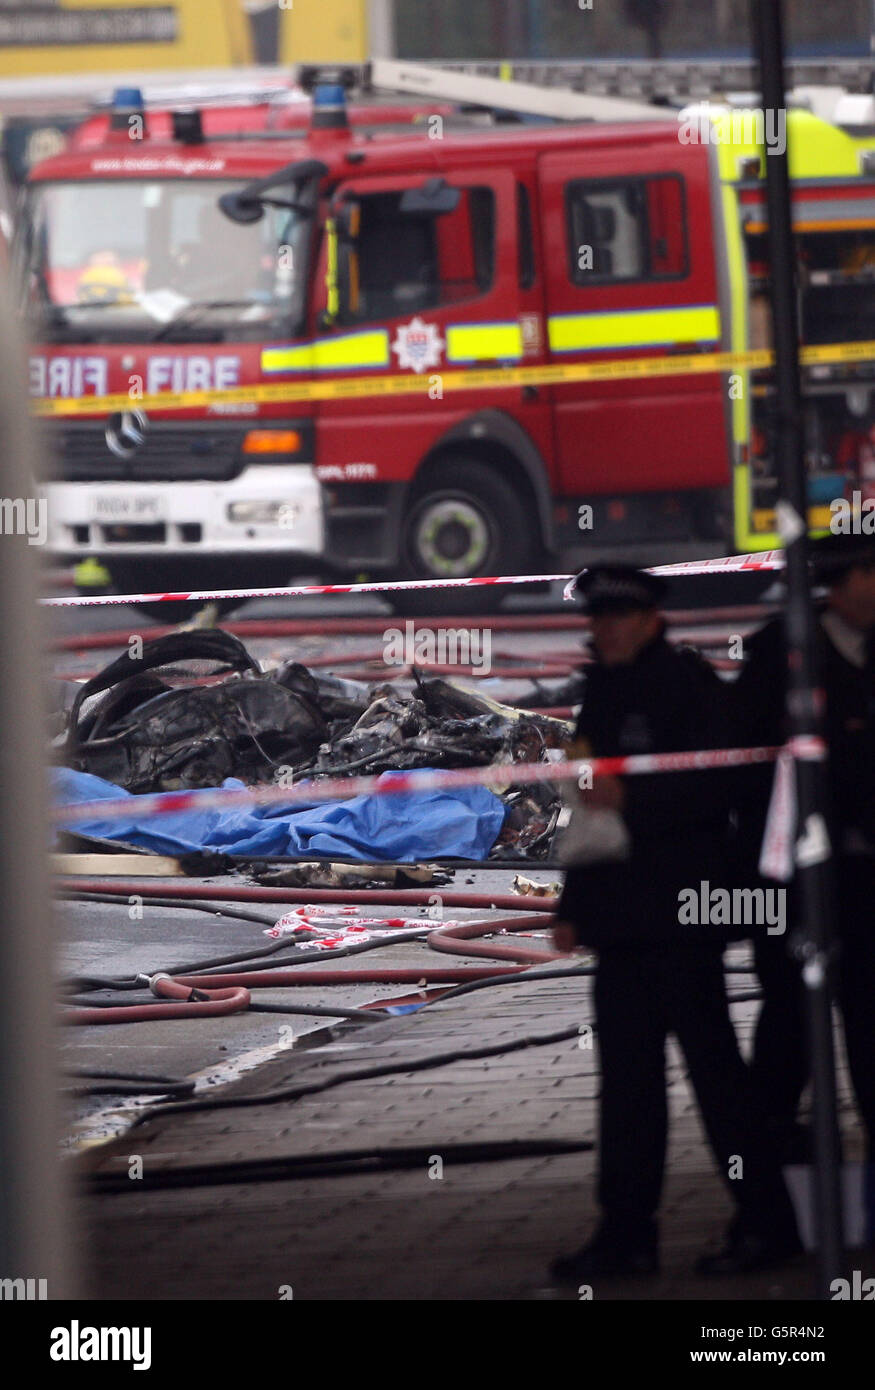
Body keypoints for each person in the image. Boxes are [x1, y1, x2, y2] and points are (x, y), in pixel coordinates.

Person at [549, 565, 800, 1283]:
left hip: (680, 919)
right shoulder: (601, 690)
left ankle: (766, 1223)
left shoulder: (681, 688)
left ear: (651, 619)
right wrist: (573, 908)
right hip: (622, 923)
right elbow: (590, 812)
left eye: (621, 617)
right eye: (599, 619)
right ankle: (625, 1235)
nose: (609, 629)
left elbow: (720, 788)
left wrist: (637, 799)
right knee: (626, 1089)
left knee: (717, 1082)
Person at [731, 534, 875, 1194]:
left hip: (866, 890)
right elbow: (750, 776)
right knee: (787, 1041)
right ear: (841, 584)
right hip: (798, 889)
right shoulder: (779, 660)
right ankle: (769, 1204)